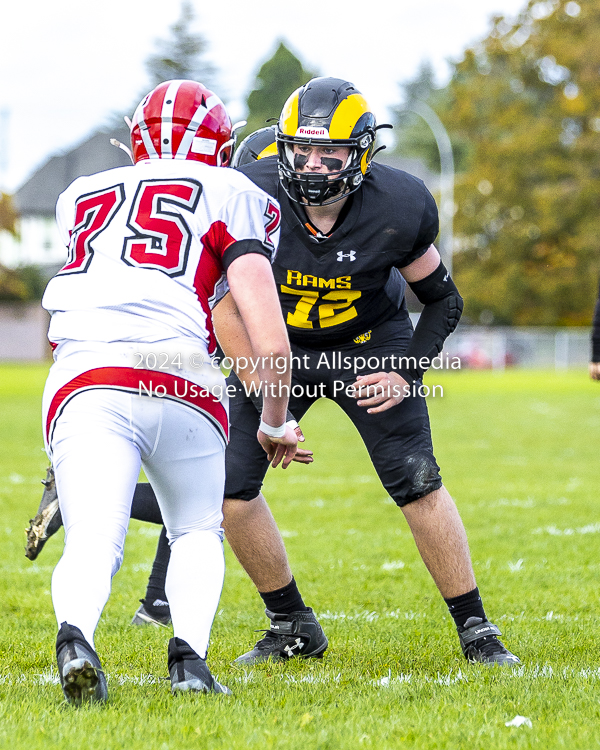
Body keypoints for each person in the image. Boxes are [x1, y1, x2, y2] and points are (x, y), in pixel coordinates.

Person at [30, 77, 520, 667]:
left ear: (361, 153)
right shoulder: (247, 190)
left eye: (330, 153)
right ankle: (291, 624)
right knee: (229, 493)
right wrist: (268, 394)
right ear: (279, 148)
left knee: (416, 480)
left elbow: (444, 300)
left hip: (369, 343)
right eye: (302, 151)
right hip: (274, 348)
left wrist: (405, 372)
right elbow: (226, 303)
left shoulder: (400, 205)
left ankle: (477, 630)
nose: (313, 166)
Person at [39, 79, 297, 704]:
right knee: (197, 529)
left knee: (93, 540)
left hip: (82, 375)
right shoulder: (234, 191)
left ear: (137, 140)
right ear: (220, 143)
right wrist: (272, 421)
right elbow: (269, 341)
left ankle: (76, 639)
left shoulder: (81, 195)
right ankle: (189, 659)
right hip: (180, 374)